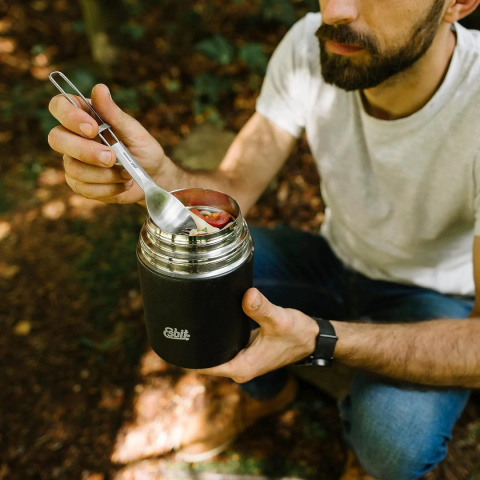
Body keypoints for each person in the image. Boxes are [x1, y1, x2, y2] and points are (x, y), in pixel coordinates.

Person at [48, 0, 480, 478]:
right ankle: (270, 394)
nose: (334, 9)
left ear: (458, 4)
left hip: (435, 299)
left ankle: (361, 454)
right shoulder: (309, 44)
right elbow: (238, 181)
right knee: (201, 292)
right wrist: (164, 178)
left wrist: (321, 339)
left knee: (394, 444)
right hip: (333, 260)